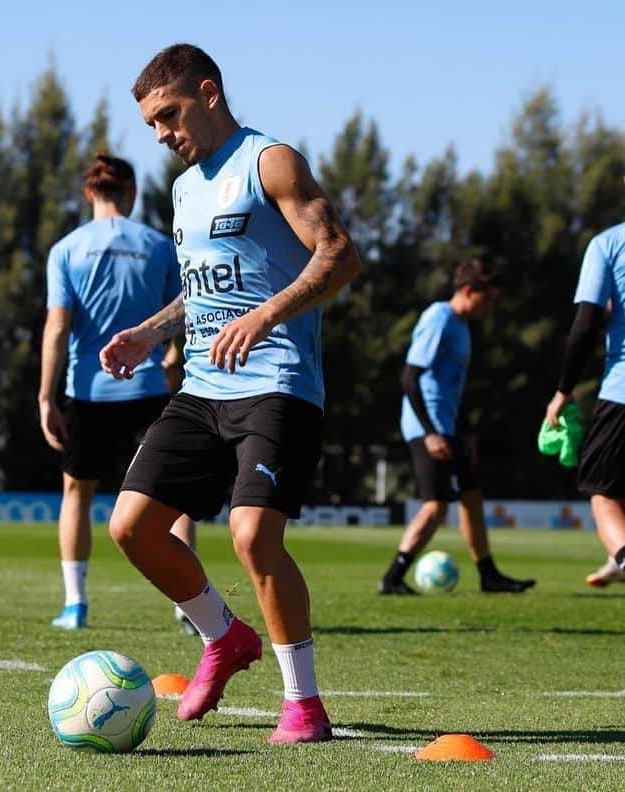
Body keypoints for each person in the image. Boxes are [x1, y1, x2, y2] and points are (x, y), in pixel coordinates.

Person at [100, 44, 361, 744]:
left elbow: (339, 253)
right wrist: (149, 333)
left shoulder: (269, 161)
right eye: (151, 124)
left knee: (251, 535)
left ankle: (303, 704)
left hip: (277, 381)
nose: (161, 135)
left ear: (208, 93)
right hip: (204, 387)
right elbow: (201, 286)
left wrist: (266, 314)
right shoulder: (185, 189)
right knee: (131, 526)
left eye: (168, 115)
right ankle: (224, 637)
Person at [39, 152, 196, 631]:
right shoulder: (158, 245)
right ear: (131, 193)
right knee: (173, 495)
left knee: (77, 494)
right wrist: (174, 358)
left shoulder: (67, 249)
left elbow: (56, 330)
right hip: (148, 388)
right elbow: (187, 309)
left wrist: (46, 397)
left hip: (88, 392)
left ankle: (75, 604)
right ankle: (188, 603)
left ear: (89, 192)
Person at [378, 259, 536, 595]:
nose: (490, 306)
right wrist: (432, 433)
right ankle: (393, 577)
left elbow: (457, 389)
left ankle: (488, 575)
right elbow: (409, 378)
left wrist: (467, 436)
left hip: (449, 427)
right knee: (436, 505)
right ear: (468, 290)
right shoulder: (439, 317)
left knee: (472, 497)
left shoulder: (463, 328)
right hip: (427, 426)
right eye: (487, 298)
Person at [545, 208, 625, 588]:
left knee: (602, 492)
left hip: (622, 390)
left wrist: (563, 390)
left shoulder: (608, 244)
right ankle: (616, 558)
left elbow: (586, 324)